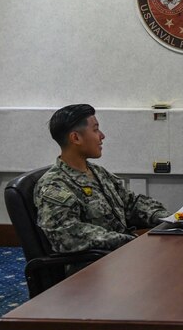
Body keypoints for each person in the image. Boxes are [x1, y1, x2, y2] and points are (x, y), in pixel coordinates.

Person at [34, 104, 169, 264]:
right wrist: (128, 241)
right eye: (95, 130)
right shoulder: (54, 185)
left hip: (121, 257)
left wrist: (170, 218)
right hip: (92, 270)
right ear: (75, 138)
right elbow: (67, 234)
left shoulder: (97, 172)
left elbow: (131, 203)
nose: (102, 136)